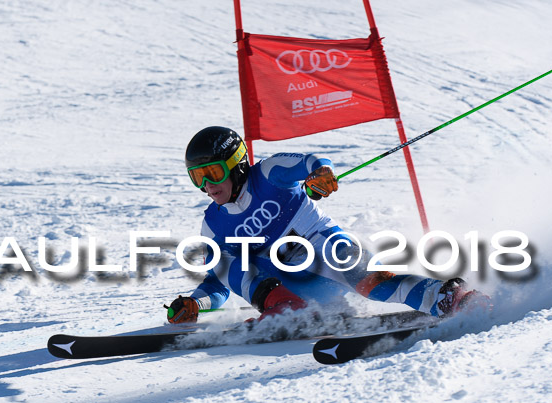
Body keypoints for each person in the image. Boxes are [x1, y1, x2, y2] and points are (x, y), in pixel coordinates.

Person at [165, 126, 488, 324]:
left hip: (323, 245)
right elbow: (219, 283)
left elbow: (311, 162)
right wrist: (196, 303)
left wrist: (322, 174)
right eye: (198, 177)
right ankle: (288, 310)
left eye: (213, 173)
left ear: (236, 165)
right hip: (293, 286)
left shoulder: (269, 172)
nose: (207, 185)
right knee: (223, 261)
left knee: (373, 284)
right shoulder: (214, 223)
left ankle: (450, 298)